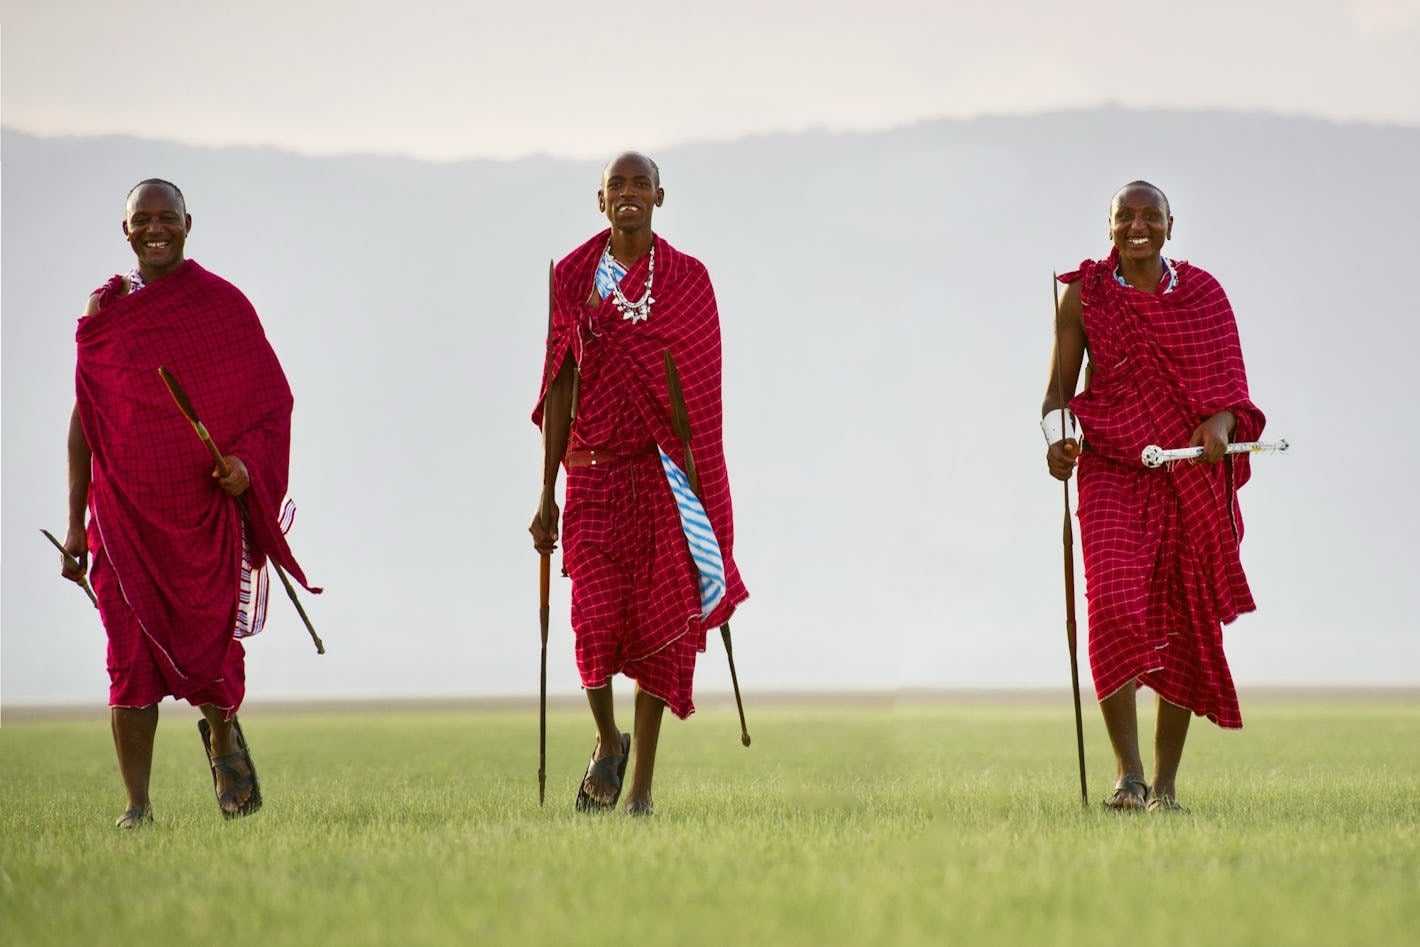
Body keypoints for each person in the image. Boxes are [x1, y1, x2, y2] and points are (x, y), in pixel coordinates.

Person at [61, 179, 317, 827]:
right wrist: (72, 524)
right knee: (128, 661)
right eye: (142, 219)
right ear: (125, 230)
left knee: (211, 653)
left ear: (188, 223)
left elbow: (269, 406)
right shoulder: (105, 309)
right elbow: (86, 418)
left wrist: (244, 467)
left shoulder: (222, 307)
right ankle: (137, 806)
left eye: (167, 218)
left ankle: (224, 738)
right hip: (121, 518)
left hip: (202, 518)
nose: (156, 229)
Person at [530, 152, 748, 816]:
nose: (628, 194)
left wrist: (700, 485)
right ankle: (606, 738)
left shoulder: (687, 280)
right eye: (615, 185)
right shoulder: (572, 277)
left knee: (662, 631)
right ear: (600, 201)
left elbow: (702, 399)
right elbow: (559, 383)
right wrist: (547, 497)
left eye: (639, 184)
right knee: (591, 626)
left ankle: (644, 789)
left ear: (660, 196)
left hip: (663, 483)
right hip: (592, 473)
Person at [1042, 180, 1266, 811]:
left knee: (1183, 623)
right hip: (1111, 466)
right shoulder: (1083, 297)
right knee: (1111, 603)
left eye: (1151, 217)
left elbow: (1231, 397)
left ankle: (1165, 788)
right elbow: (1057, 398)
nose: (1138, 226)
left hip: (1187, 472)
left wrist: (1219, 428)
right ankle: (1128, 777)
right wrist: (1058, 441)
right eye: (1125, 217)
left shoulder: (1204, 295)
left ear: (1172, 225)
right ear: (1108, 226)